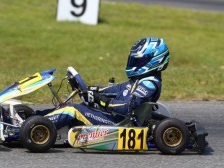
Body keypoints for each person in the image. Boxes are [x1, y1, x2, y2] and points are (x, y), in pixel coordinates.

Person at [42, 37, 170, 129]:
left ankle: (38, 126)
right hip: (113, 116)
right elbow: (115, 90)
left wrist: (99, 99)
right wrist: (90, 90)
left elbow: (126, 107)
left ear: (155, 61)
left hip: (119, 123)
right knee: (73, 105)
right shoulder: (138, 80)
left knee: (72, 110)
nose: (135, 63)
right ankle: (34, 118)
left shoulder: (148, 84)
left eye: (139, 60)